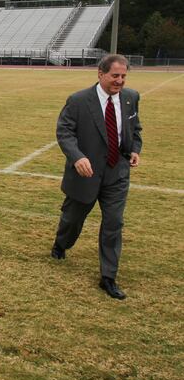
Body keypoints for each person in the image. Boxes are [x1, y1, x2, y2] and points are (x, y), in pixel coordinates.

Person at [51, 54, 142, 300]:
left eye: (123, 76)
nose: (120, 81)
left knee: (114, 222)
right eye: (115, 76)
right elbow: (65, 131)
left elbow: (135, 128)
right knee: (72, 219)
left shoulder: (131, 98)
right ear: (100, 74)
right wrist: (77, 157)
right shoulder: (79, 100)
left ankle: (108, 276)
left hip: (117, 173)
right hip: (86, 172)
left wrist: (134, 149)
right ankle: (61, 244)